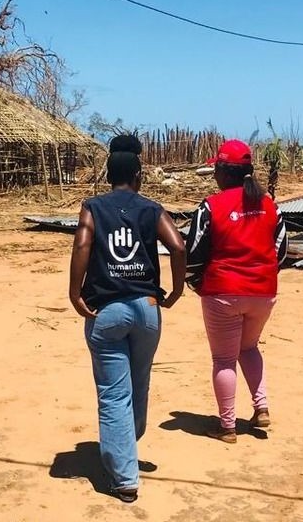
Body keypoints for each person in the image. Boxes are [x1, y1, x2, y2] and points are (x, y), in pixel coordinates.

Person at [68, 135, 187, 502]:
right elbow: (179, 246)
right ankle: (125, 447)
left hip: (107, 311)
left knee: (114, 393)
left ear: (108, 175)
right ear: (138, 175)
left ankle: (124, 477)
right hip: (147, 310)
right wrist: (177, 290)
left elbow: (83, 244)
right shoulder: (150, 209)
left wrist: (75, 292)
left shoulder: (93, 207)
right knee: (138, 384)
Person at [185, 139, 288, 444]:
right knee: (249, 348)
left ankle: (227, 426)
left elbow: (194, 252)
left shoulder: (210, 206)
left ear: (223, 172)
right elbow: (281, 250)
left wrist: (196, 283)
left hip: (223, 291)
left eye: (216, 168)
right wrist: (264, 274)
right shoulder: (270, 204)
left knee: (224, 359)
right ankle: (261, 408)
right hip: (263, 292)